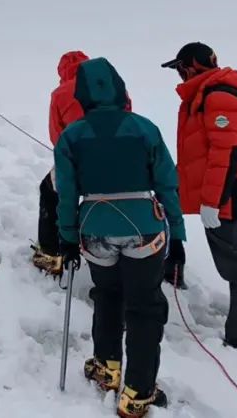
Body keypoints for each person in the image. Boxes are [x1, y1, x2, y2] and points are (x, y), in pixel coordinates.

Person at [54, 57, 184, 418]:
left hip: (95, 229)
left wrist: (66, 239)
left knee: (108, 295)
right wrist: (178, 236)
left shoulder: (71, 136)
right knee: (144, 306)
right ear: (120, 88)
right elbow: (167, 184)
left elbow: (66, 193)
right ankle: (139, 391)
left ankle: (107, 366)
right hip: (145, 228)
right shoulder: (144, 129)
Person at [161, 42, 237, 348]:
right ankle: (172, 271)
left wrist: (213, 202)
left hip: (228, 195)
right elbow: (200, 153)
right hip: (220, 193)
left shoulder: (219, 97)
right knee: (233, 261)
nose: (179, 76)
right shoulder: (206, 94)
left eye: (180, 69)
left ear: (192, 67)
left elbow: (226, 154)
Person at [32, 50, 90, 276]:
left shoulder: (61, 93)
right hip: (117, 160)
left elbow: (57, 137)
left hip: (77, 160)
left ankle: (50, 255)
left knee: (50, 192)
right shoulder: (114, 88)